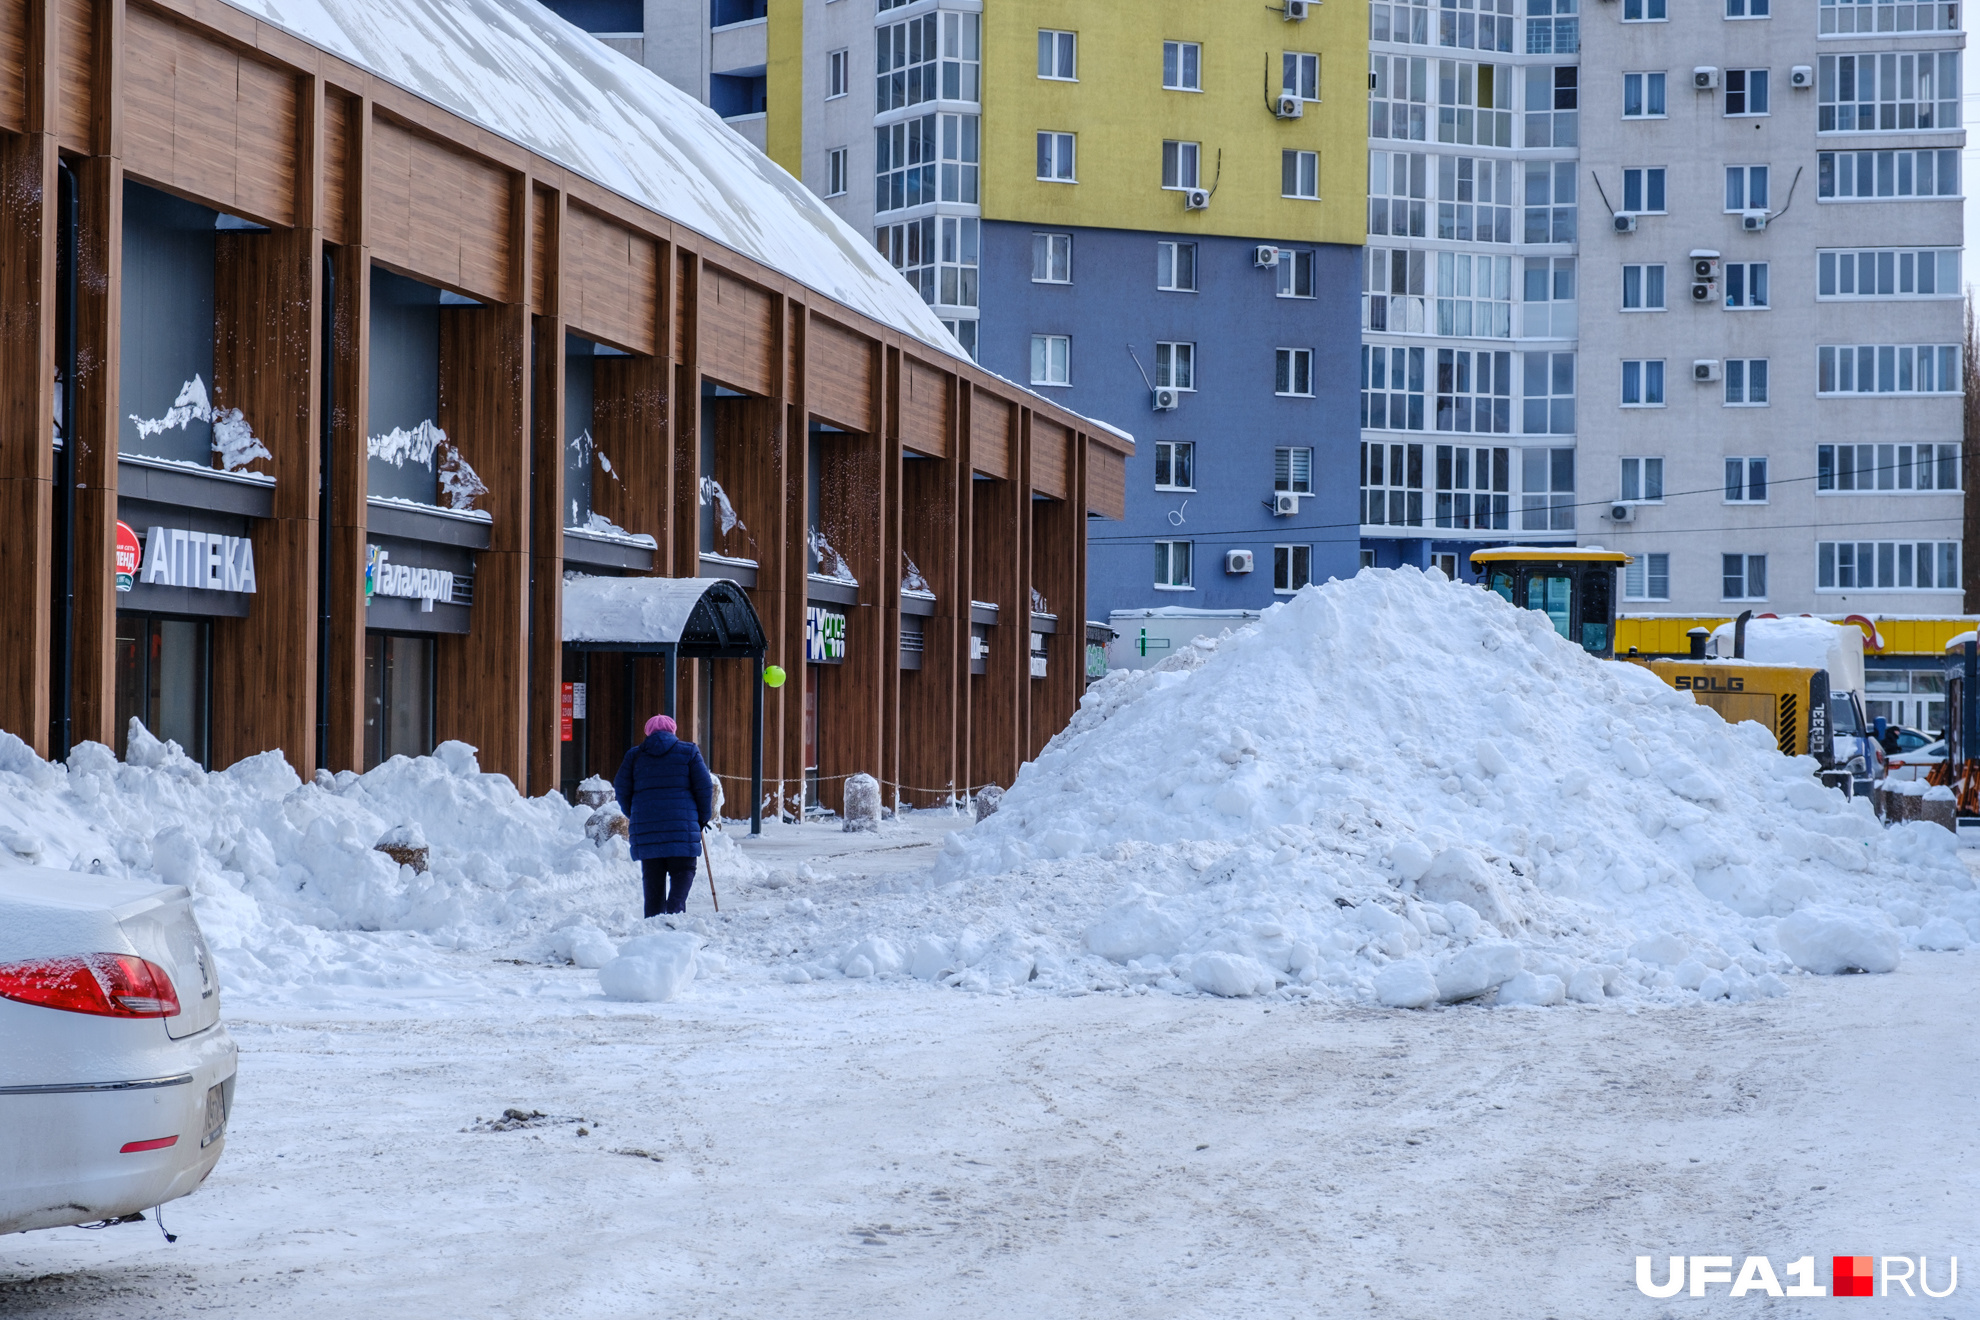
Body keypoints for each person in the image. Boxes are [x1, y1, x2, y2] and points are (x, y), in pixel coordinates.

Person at [612, 714, 715, 918]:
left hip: (647, 828)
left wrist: (633, 813)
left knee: (652, 878)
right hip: (682, 825)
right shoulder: (689, 751)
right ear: (673, 731)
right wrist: (702, 817)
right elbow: (704, 787)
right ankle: (675, 910)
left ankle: (653, 923)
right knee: (684, 869)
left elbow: (621, 788)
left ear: (648, 732)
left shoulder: (635, 756)